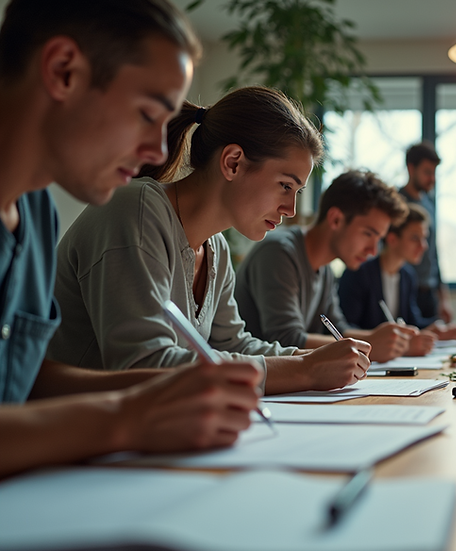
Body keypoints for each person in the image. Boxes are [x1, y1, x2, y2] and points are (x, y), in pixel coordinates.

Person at [0, 0, 262, 478]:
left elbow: (27, 378)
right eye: (147, 114)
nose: (159, 151)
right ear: (63, 71)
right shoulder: (134, 210)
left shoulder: (33, 211)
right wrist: (124, 418)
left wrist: (167, 389)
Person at [47, 86, 372, 396]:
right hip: (70, 434)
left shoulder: (216, 247)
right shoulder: (135, 210)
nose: (291, 210)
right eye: (285, 186)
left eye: (297, 192)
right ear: (233, 162)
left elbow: (232, 345)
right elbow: (144, 363)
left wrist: (315, 358)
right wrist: (304, 369)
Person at [235, 170, 428, 362]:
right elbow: (287, 340)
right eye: (368, 234)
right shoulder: (278, 252)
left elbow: (338, 330)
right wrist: (371, 344)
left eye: (379, 239)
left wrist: (385, 340)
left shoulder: (325, 268)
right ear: (336, 219)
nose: (373, 251)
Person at [338, 203, 456, 342]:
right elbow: (345, 328)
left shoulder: (407, 276)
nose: (423, 246)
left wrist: (439, 330)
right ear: (392, 239)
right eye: (415, 238)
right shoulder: (358, 272)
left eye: (424, 238)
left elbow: (411, 322)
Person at [399, 142, 454, 323]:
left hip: (428, 292)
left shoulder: (429, 203)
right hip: (405, 289)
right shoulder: (396, 203)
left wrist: (443, 298)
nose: (432, 178)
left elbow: (433, 253)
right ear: (411, 168)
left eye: (434, 172)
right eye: (427, 172)